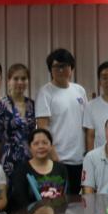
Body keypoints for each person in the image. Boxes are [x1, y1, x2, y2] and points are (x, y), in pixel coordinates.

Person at [35, 48, 87, 195]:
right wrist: (54, 158)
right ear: (50, 70)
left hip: (80, 158)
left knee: (79, 201)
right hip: (59, 159)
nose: (60, 70)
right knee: (60, 202)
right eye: (56, 66)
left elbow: (86, 123)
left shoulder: (79, 90)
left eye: (64, 66)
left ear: (71, 68)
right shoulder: (45, 92)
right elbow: (43, 129)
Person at [0, 63, 36, 178]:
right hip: (9, 159)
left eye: (23, 78)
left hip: (31, 158)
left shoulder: (32, 104)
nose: (20, 82)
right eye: (16, 78)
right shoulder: (1, 106)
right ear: (8, 81)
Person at [9, 129, 70, 212]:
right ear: (30, 148)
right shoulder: (21, 170)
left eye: (45, 143)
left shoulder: (60, 168)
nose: (41, 146)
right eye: (36, 143)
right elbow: (21, 201)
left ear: (51, 146)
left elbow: (67, 195)